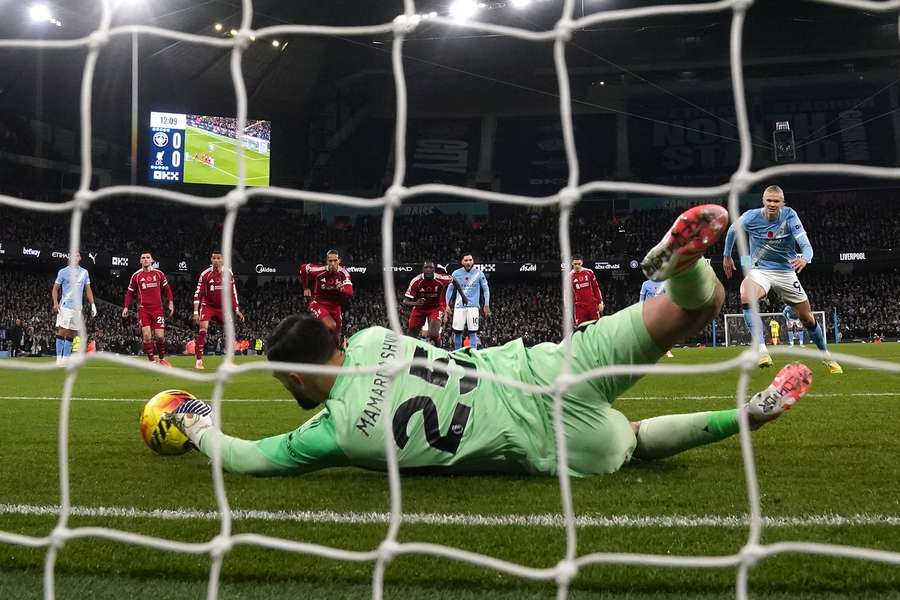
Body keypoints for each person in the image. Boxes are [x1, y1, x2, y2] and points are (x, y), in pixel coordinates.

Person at [168, 205, 812, 479]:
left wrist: (191, 419)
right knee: (699, 307)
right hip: (547, 364)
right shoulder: (370, 334)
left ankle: (747, 415)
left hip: (545, 441)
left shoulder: (332, 434)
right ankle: (684, 264)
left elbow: (248, 459)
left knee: (635, 443)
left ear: (293, 377)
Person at [722, 185, 842, 373]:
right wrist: (726, 255)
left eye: (776, 201)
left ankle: (826, 356)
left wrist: (805, 257)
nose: (772, 204)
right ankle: (762, 351)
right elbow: (731, 231)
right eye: (768, 200)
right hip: (760, 270)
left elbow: (806, 245)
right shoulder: (750, 217)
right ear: (763, 200)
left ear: (782, 202)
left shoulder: (790, 216)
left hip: (786, 272)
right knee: (746, 295)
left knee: (807, 319)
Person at [192, 251, 245, 370]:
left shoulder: (228, 273)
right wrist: (195, 312)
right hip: (208, 306)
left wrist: (236, 309)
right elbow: (198, 293)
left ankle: (230, 361)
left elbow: (233, 292)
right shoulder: (205, 274)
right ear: (211, 260)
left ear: (222, 260)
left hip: (223, 308)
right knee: (203, 329)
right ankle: (199, 360)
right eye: (214, 258)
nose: (216, 260)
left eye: (218, 258)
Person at [122, 251, 174, 366]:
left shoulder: (159, 274)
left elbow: (167, 289)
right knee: (146, 336)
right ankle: (151, 361)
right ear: (140, 261)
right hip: (144, 309)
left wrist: (170, 302)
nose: (145, 259)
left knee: (160, 337)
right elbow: (129, 293)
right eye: (143, 258)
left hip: (158, 309)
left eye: (147, 257)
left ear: (152, 260)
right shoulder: (136, 276)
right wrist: (126, 307)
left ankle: (162, 359)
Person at [403, 260, 466, 347]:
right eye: (426, 267)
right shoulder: (416, 281)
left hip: (436, 308)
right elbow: (405, 301)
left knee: (433, 334)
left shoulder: (441, 279)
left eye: (431, 267)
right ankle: (411, 353)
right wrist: (415, 303)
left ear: (434, 269)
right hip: (419, 309)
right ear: (423, 269)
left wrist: (463, 296)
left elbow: (454, 280)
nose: (428, 269)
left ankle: (438, 348)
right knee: (411, 333)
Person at [300, 250, 354, 346]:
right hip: (318, 303)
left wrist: (342, 288)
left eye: (335, 260)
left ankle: (334, 350)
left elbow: (350, 291)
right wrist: (306, 287)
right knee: (331, 325)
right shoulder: (319, 270)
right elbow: (303, 268)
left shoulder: (344, 273)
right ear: (326, 261)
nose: (332, 263)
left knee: (337, 334)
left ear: (339, 261)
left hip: (335, 306)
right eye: (330, 260)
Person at [51, 251, 97, 364]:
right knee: (62, 332)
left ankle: (65, 359)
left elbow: (88, 289)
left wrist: (93, 304)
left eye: (77, 255)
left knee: (72, 333)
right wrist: (55, 303)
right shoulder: (63, 272)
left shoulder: (84, 272)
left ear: (80, 258)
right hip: (65, 306)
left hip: (78, 308)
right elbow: (55, 289)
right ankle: (58, 358)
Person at [446, 253, 490, 350]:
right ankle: (457, 353)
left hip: (473, 307)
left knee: (473, 332)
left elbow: (486, 289)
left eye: (470, 260)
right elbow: (449, 289)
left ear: (473, 261)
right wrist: (446, 304)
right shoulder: (456, 273)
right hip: (459, 307)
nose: (468, 262)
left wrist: (486, 304)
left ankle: (474, 354)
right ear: (462, 262)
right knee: (457, 332)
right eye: (466, 260)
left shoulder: (479, 274)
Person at [639, 278, 674, 358]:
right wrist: (641, 310)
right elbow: (641, 299)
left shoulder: (665, 283)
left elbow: (668, 297)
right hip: (648, 311)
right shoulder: (645, 284)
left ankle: (667, 350)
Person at [570, 256, 603, 326]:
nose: (577, 266)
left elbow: (596, 288)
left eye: (579, 263)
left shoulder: (589, 272)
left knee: (595, 327)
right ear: (572, 263)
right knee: (581, 328)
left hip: (592, 305)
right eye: (575, 264)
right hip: (580, 308)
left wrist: (600, 302)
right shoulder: (569, 276)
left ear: (582, 262)